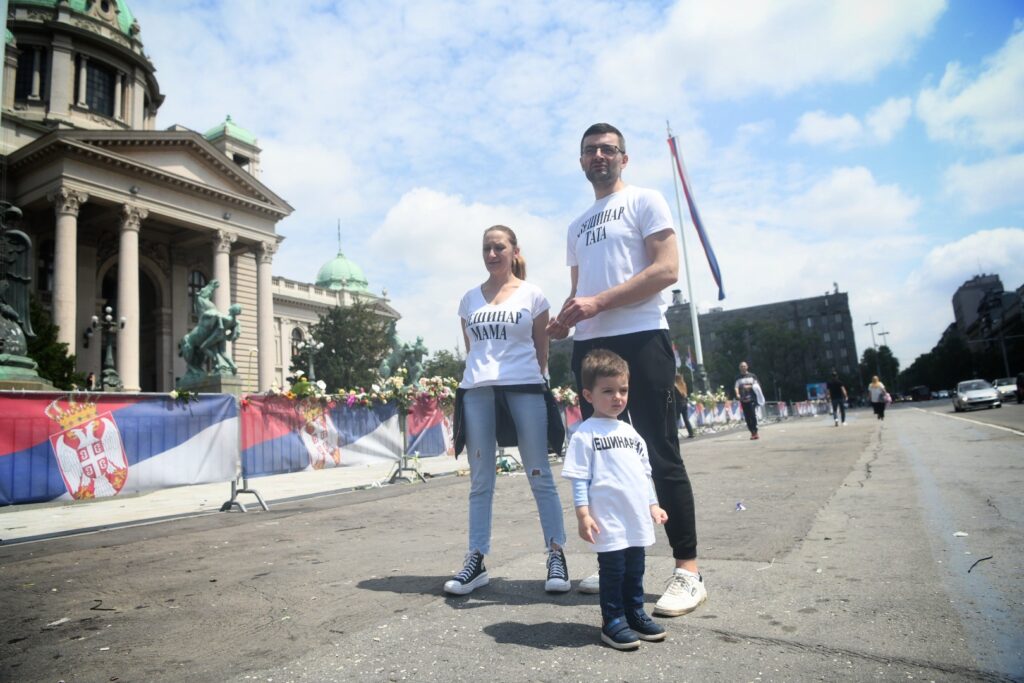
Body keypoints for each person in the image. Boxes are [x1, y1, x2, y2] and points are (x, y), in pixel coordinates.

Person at [548, 122, 706, 617]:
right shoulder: (576, 226)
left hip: (642, 337)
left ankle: (688, 571)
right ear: (580, 161)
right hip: (591, 345)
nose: (600, 156)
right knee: (602, 460)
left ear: (624, 157)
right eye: (591, 150)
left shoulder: (645, 201)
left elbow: (666, 270)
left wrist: (597, 303)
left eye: (608, 149)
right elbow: (581, 294)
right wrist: (565, 318)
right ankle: (615, 558)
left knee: (660, 452)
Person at [444, 225, 569, 596]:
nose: (492, 254)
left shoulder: (534, 296)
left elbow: (541, 350)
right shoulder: (469, 300)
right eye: (487, 248)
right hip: (477, 391)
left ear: (515, 251)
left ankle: (557, 554)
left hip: (525, 387)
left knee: (539, 474)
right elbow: (473, 350)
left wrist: (529, 378)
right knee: (480, 479)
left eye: (499, 247)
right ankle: (476, 558)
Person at [562, 349, 669, 650]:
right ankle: (613, 621)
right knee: (613, 570)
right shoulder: (585, 434)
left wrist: (653, 504)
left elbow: (644, 474)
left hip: (635, 516)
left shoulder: (631, 433)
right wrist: (583, 514)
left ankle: (635, 613)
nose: (617, 397)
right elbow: (580, 478)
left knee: (635, 568)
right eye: (607, 391)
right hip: (607, 519)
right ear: (588, 394)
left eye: (622, 390)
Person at [734, 361, 762, 440]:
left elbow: (757, 385)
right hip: (743, 400)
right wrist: (737, 394)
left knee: (753, 415)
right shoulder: (737, 377)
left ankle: (755, 432)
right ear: (739, 368)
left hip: (752, 398)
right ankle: (752, 432)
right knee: (747, 417)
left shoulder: (752, 376)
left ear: (747, 367)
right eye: (741, 366)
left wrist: (749, 386)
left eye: (744, 366)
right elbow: (736, 387)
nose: (743, 368)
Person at [674, 374, 695, 438]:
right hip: (684, 403)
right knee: (686, 419)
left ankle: (675, 433)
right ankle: (691, 432)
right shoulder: (684, 384)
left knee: (676, 419)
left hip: (678, 404)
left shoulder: (675, 386)